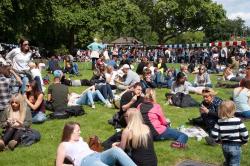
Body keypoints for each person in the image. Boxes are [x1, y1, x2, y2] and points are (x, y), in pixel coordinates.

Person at [56, 122, 136, 166]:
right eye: (78, 130)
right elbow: (58, 164)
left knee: (116, 150)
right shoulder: (64, 145)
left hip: (98, 155)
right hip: (85, 161)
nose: (80, 132)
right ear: (70, 132)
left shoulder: (80, 139)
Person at [211, 101, 248, 166]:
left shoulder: (219, 121)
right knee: (235, 164)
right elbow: (245, 133)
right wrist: (244, 141)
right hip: (235, 146)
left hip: (224, 146)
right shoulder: (238, 121)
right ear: (234, 110)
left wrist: (218, 141)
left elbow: (214, 134)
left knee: (228, 162)